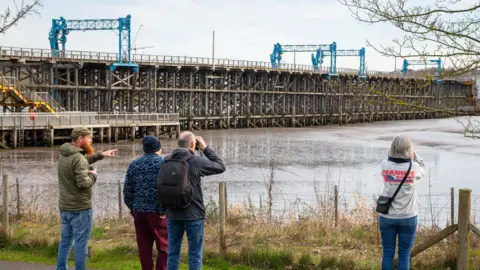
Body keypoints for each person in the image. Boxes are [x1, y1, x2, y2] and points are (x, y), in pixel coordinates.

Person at [56, 126, 118, 270]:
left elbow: (82, 162)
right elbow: (83, 184)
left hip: (65, 206)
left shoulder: (65, 153)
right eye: (88, 138)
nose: (91, 141)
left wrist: (101, 154)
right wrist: (93, 175)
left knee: (65, 241)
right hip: (80, 208)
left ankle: (61, 268)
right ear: (80, 139)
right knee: (80, 244)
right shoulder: (78, 158)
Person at [166, 132, 226, 270]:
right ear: (193, 144)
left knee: (173, 253)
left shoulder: (167, 160)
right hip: (193, 214)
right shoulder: (196, 161)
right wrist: (205, 148)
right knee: (195, 254)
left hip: (173, 213)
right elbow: (220, 166)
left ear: (178, 144)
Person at [379, 134, 425, 270]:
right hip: (408, 216)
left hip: (387, 217)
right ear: (409, 150)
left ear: (392, 148)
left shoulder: (384, 165)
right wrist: (415, 155)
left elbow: (390, 160)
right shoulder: (414, 168)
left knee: (387, 253)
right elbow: (424, 168)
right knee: (404, 254)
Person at [124, 136, 168, 270]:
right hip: (157, 212)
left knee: (144, 247)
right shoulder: (164, 164)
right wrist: (164, 210)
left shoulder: (134, 164)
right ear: (158, 148)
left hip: (139, 212)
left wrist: (133, 208)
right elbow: (167, 189)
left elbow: (127, 190)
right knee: (164, 247)